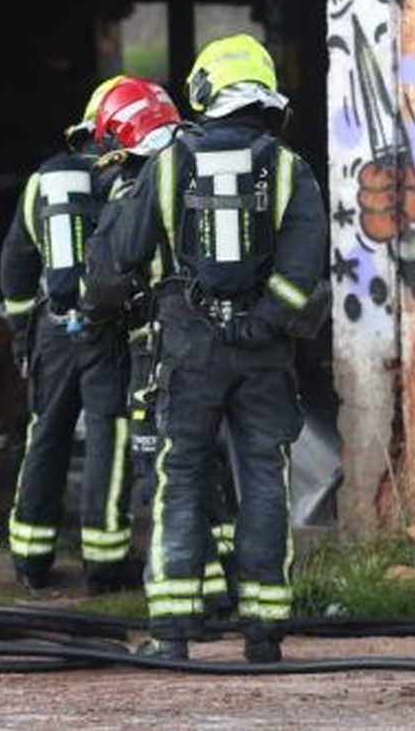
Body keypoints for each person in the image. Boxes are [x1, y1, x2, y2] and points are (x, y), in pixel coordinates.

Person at [85, 35, 328, 663]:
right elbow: (303, 278)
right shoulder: (289, 169)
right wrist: (258, 322)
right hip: (265, 358)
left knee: (181, 478)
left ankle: (171, 633)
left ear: (204, 90)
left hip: (185, 353)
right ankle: (265, 632)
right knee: (264, 479)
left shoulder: (169, 164)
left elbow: (122, 258)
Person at [85, 77, 239, 609]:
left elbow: (107, 278)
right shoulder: (207, 164)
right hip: (225, 339)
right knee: (209, 461)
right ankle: (226, 585)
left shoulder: (138, 186)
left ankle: (184, 594)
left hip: (159, 346)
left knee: (164, 468)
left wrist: (91, 311)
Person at [0, 90, 136, 593]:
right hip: (105, 330)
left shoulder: (44, 181)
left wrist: (21, 331)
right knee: (108, 434)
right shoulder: (127, 177)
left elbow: (15, 263)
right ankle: (104, 561)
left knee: (46, 434)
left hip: (52, 331)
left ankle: (31, 557)